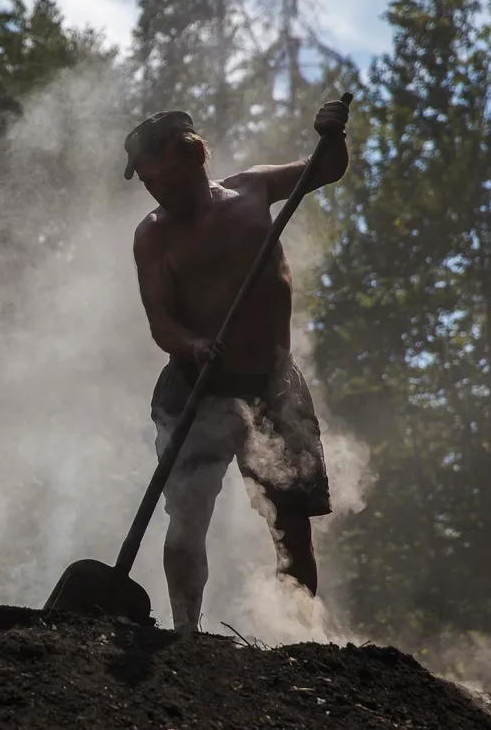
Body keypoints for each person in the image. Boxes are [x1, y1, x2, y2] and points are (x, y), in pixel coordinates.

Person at [126, 100, 350, 633]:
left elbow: (326, 167)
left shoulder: (251, 190)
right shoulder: (154, 234)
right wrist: (194, 343)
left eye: (169, 180)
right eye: (152, 186)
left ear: (197, 155)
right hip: (196, 385)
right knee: (187, 516)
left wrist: (331, 133)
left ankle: (300, 640)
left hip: (273, 386)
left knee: (291, 524)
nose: (162, 194)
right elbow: (160, 322)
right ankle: (185, 632)